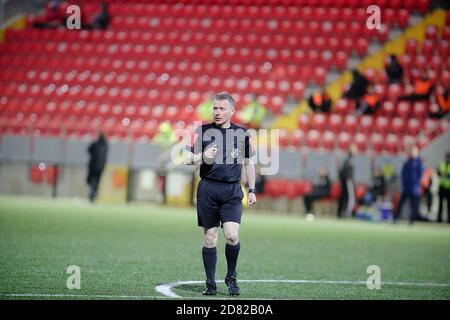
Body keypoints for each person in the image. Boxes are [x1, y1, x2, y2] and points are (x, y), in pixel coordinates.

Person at [184, 92, 256, 296]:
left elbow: (249, 163)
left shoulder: (242, 134)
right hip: (208, 189)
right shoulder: (203, 131)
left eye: (222, 108)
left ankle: (231, 276)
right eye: (215, 108)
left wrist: (251, 189)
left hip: (232, 190)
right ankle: (210, 283)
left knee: (232, 236)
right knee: (210, 238)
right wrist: (202, 156)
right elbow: (186, 158)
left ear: (232, 111)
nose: (217, 112)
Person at [393, 146, 424, 224]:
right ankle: (395, 218)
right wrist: (404, 183)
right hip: (406, 187)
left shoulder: (419, 162)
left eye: (414, 151)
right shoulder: (408, 162)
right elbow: (403, 173)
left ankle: (412, 220)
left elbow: (420, 175)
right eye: (412, 151)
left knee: (413, 205)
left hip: (414, 189)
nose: (413, 153)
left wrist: (416, 185)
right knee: (401, 203)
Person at [87, 132, 108, 202]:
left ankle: (92, 193)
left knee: (89, 180)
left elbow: (89, 150)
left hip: (93, 166)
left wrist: (92, 142)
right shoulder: (105, 146)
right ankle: (94, 193)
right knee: (97, 181)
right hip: (101, 167)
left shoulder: (95, 144)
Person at [337, 144, 356, 218]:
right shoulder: (349, 159)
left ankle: (341, 212)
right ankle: (348, 212)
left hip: (345, 181)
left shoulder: (346, 159)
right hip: (348, 181)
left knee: (344, 196)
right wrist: (347, 179)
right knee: (350, 197)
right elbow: (344, 171)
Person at [437, 152, 450, 223]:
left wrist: (446, 175)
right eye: (446, 157)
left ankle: (449, 220)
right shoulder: (442, 164)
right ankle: (439, 219)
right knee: (440, 205)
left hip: (449, 188)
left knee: (449, 206)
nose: (447, 159)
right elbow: (438, 173)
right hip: (441, 187)